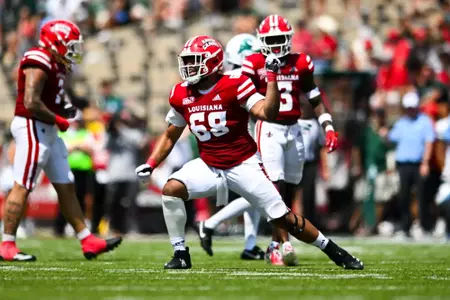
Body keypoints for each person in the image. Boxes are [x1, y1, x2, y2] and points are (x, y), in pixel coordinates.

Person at [135, 35, 363, 270]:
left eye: (195, 60)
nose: (189, 66)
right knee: (171, 189)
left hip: (242, 164)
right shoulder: (181, 93)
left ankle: (336, 252)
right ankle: (180, 253)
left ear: (213, 63)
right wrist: (152, 164)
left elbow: (268, 113)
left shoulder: (235, 83)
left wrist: (272, 79)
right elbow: (171, 134)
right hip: (209, 164)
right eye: (188, 60)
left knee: (284, 218)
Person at [0, 20, 122, 261]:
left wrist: (62, 108)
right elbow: (31, 102)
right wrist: (59, 118)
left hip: (48, 130)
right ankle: (7, 244)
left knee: (66, 185)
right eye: (71, 45)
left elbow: (50, 97)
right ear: (56, 42)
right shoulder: (39, 58)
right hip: (32, 127)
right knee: (23, 185)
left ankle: (87, 240)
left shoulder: (57, 64)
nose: (74, 50)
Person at [231, 14, 338, 265]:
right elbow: (241, 97)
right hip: (269, 128)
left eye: (281, 39)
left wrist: (329, 127)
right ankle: (284, 242)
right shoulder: (254, 62)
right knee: (275, 189)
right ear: (262, 40)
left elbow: (315, 98)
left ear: (289, 39)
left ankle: (273, 243)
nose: (277, 44)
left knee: (289, 190)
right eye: (271, 39)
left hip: (295, 129)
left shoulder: (301, 62)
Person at [197, 33, 266, 261]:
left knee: (255, 193)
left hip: (241, 139)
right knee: (261, 192)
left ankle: (250, 243)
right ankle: (211, 223)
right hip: (247, 141)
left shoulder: (228, 77)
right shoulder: (240, 79)